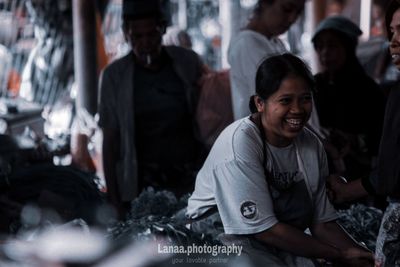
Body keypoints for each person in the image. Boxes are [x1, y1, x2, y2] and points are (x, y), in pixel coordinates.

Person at [186, 54, 373, 266]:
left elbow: (322, 224)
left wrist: (363, 254)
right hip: (220, 239)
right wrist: (339, 254)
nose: (297, 110)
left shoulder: (311, 145)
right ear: (260, 103)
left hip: (275, 236)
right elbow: (266, 230)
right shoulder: (240, 144)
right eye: (285, 100)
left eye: (305, 98)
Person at [98, 0, 205, 217]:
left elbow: (207, 116)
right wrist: (115, 201)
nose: (145, 43)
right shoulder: (114, 77)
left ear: (163, 29)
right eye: (137, 37)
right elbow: (110, 140)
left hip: (189, 179)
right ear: (126, 34)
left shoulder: (187, 62)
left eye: (152, 35)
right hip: (141, 186)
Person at [327, 1, 400, 265]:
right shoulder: (320, 84)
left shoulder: (383, 91)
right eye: (391, 32)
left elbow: (391, 173)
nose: (394, 42)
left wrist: (348, 191)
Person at [312, 16, 385, 182]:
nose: (324, 53)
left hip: (361, 178)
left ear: (348, 47)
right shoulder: (314, 85)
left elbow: (380, 138)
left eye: (332, 45)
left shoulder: (368, 90)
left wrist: (352, 140)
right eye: (320, 46)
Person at [228, 0, 305, 120]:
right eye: (287, 9)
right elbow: (273, 103)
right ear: (265, 2)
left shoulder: (276, 43)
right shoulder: (248, 44)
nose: (292, 19)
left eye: (298, 13)